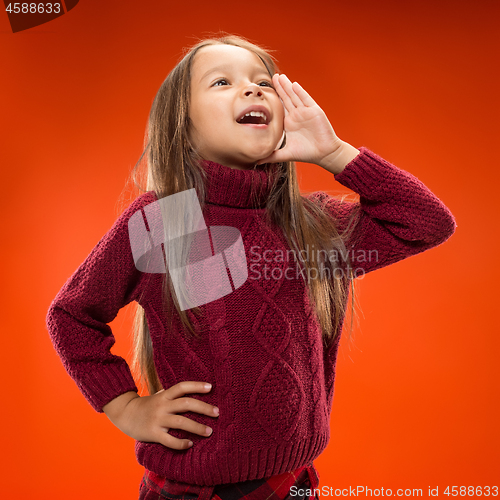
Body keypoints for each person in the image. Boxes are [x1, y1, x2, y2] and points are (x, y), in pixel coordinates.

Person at [46, 33, 457, 500]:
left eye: (264, 82)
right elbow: (71, 314)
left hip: (295, 483)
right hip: (192, 487)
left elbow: (428, 223)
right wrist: (123, 406)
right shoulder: (166, 219)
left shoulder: (310, 224)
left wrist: (334, 153)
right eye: (222, 82)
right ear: (183, 126)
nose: (252, 89)